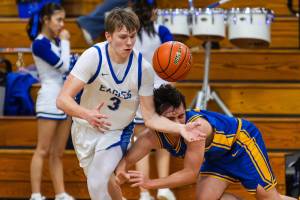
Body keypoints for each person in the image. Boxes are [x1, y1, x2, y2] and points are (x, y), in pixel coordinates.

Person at [56, 8, 204, 200]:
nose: (129, 42)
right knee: (106, 183)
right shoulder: (93, 56)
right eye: (123, 37)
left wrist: (180, 128)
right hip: (85, 128)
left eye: (132, 36)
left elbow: (150, 118)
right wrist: (87, 114)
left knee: (96, 182)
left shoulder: (143, 69)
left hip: (116, 132)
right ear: (108, 36)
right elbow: (62, 99)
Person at [116, 84, 297, 200]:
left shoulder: (197, 127)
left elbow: (189, 174)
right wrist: (120, 174)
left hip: (241, 145)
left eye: (181, 115)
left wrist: (151, 183)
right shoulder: (151, 136)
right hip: (216, 158)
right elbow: (126, 160)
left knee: (270, 198)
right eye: (171, 119)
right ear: (157, 119)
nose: (179, 123)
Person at [26, 2, 74, 200]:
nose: (62, 25)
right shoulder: (39, 43)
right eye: (58, 20)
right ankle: (36, 194)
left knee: (58, 153)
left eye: (63, 20)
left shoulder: (53, 43)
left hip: (64, 100)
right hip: (48, 100)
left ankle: (60, 193)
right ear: (46, 20)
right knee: (42, 150)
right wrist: (65, 42)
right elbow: (64, 66)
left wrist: (62, 43)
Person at [132, 1, 175, 200]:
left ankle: (143, 193)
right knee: (163, 141)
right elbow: (174, 58)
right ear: (154, 11)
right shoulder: (162, 31)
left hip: (137, 92)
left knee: (140, 143)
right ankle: (163, 188)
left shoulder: (129, 34)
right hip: (161, 91)